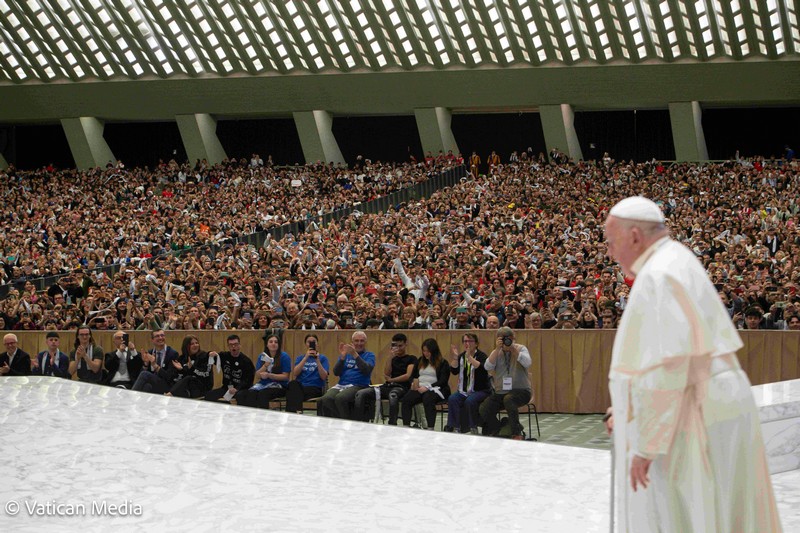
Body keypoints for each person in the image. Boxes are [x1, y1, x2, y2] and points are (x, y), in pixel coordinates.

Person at [603, 196, 780, 532]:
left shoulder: (658, 274)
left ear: (635, 236)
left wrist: (645, 444)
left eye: (612, 243)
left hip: (696, 410)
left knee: (694, 515)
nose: (611, 253)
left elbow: (669, 368)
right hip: (713, 401)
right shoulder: (676, 259)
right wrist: (627, 409)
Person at [479, 327, 532, 439]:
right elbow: (487, 367)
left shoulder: (521, 348)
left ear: (513, 338)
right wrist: (497, 349)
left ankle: (516, 433)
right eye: (503, 339)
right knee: (484, 408)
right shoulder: (497, 352)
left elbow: (527, 363)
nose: (506, 342)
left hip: (521, 391)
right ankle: (500, 428)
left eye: (508, 339)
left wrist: (513, 349)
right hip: (501, 392)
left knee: (509, 399)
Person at [353, 333, 416, 424]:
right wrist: (390, 357)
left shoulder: (411, 358)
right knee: (361, 393)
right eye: (395, 345)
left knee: (393, 396)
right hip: (388, 386)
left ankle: (392, 424)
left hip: (401, 387)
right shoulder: (392, 358)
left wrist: (392, 380)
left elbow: (408, 375)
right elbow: (386, 373)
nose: (398, 348)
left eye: (400, 345)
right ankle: (359, 422)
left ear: (405, 344)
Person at [317, 330, 375, 419]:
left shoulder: (370, 355)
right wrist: (342, 357)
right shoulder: (347, 355)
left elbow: (366, 370)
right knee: (326, 399)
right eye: (356, 341)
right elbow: (336, 372)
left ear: (365, 342)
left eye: (362, 341)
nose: (359, 343)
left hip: (359, 385)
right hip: (342, 385)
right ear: (352, 342)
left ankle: (347, 422)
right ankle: (343, 420)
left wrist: (355, 354)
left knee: (341, 398)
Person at [445, 333, 490, 434]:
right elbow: (454, 371)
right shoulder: (461, 356)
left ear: (476, 344)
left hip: (480, 390)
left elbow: (482, 370)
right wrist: (456, 357)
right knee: (452, 398)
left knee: (469, 401)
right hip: (464, 390)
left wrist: (469, 357)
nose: (467, 343)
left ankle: (472, 427)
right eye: (465, 341)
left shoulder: (481, 356)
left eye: (470, 341)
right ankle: (455, 426)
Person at [400, 338, 450, 429]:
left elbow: (443, 381)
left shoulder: (443, 363)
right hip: (420, 387)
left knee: (428, 399)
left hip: (436, 388)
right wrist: (413, 383)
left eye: (428, 351)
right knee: (406, 400)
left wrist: (428, 387)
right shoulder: (420, 361)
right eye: (424, 351)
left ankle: (430, 427)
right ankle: (406, 426)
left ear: (433, 351)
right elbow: (412, 376)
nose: (425, 353)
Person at [234, 333, 290, 409]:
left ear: (279, 345)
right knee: (249, 394)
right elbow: (257, 375)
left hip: (279, 385)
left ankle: (263, 417)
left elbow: (286, 377)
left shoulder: (284, 356)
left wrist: (270, 375)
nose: (273, 344)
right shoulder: (262, 356)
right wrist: (265, 365)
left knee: (263, 394)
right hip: (263, 384)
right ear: (267, 344)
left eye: (276, 342)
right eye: (271, 342)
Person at [285, 334, 329, 413]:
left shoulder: (323, 358)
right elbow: (295, 373)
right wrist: (305, 358)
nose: (311, 343)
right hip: (300, 386)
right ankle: (297, 411)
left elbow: (324, 377)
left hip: (315, 387)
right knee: (292, 384)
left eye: (314, 342)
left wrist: (317, 360)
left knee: (293, 393)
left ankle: (294, 413)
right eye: (309, 342)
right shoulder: (300, 358)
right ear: (306, 344)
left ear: (317, 344)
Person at [204, 334, 255, 402]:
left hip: (241, 389)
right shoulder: (223, 356)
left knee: (240, 396)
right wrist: (209, 354)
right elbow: (210, 358)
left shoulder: (246, 361)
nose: (233, 347)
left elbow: (248, 380)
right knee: (209, 395)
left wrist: (237, 388)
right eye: (231, 345)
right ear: (228, 346)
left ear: (239, 345)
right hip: (226, 388)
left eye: (235, 344)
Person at [131, 329, 180, 394]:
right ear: (152, 340)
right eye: (157, 336)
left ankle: (130, 397)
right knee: (147, 387)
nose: (160, 338)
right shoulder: (150, 352)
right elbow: (141, 377)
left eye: (162, 335)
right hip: (154, 384)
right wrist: (145, 364)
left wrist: (155, 365)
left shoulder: (172, 353)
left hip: (167, 385)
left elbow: (169, 377)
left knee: (145, 374)